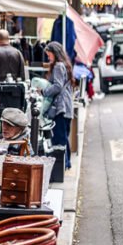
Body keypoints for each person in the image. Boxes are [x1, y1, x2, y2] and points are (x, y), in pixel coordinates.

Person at [45, 41, 74, 169]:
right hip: (67, 106)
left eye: (49, 55)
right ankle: (67, 163)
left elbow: (57, 86)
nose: (48, 57)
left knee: (60, 137)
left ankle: (62, 165)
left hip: (61, 107)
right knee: (64, 136)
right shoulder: (65, 65)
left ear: (55, 53)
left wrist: (44, 91)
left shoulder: (58, 66)